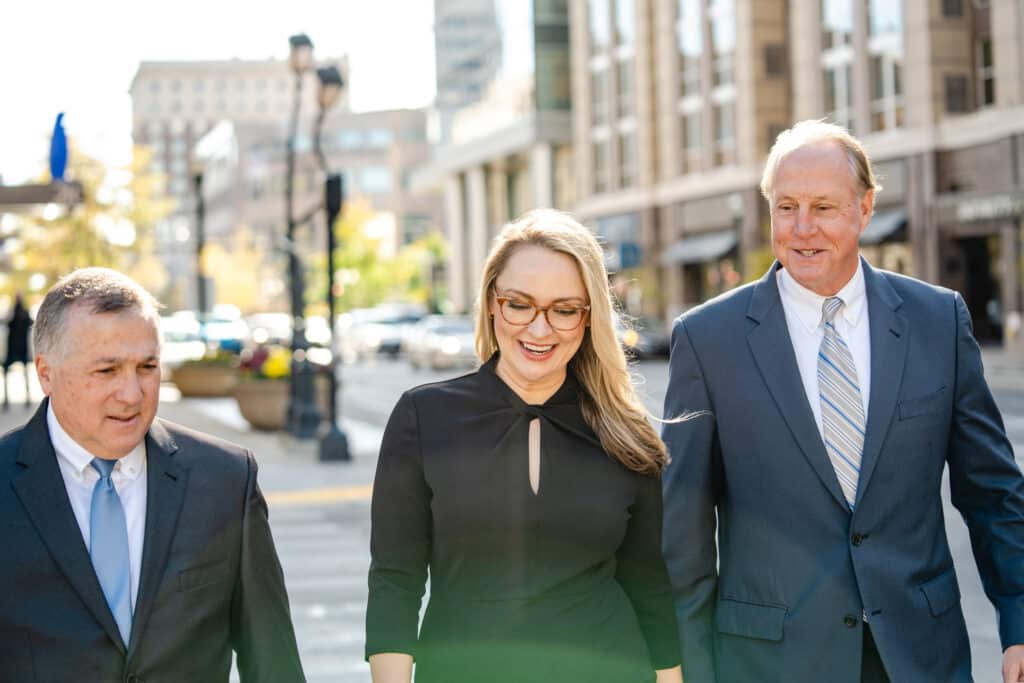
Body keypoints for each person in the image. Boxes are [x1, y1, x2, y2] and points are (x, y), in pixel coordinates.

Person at [661, 119, 1024, 683]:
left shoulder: (938, 321)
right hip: (769, 663)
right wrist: (687, 668)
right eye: (786, 207)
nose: (802, 228)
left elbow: (994, 493)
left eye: (824, 208)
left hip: (919, 656)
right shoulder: (708, 339)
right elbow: (682, 528)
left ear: (865, 207)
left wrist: (1019, 621)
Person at [366, 209, 682, 683]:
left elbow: (649, 587)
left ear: (588, 317)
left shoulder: (626, 435)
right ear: (492, 303)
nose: (539, 329)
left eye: (564, 309)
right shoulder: (423, 417)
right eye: (520, 304)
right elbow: (395, 579)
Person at [0, 267, 305, 682]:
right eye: (106, 371)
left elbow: (274, 665)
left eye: (147, 367)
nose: (132, 394)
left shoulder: (227, 481)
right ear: (46, 373)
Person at [3, 292, 33, 410]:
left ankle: (8, 400)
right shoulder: (24, 313)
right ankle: (26, 399)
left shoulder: (13, 313)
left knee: (9, 373)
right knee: (24, 374)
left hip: (14, 349)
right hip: (21, 349)